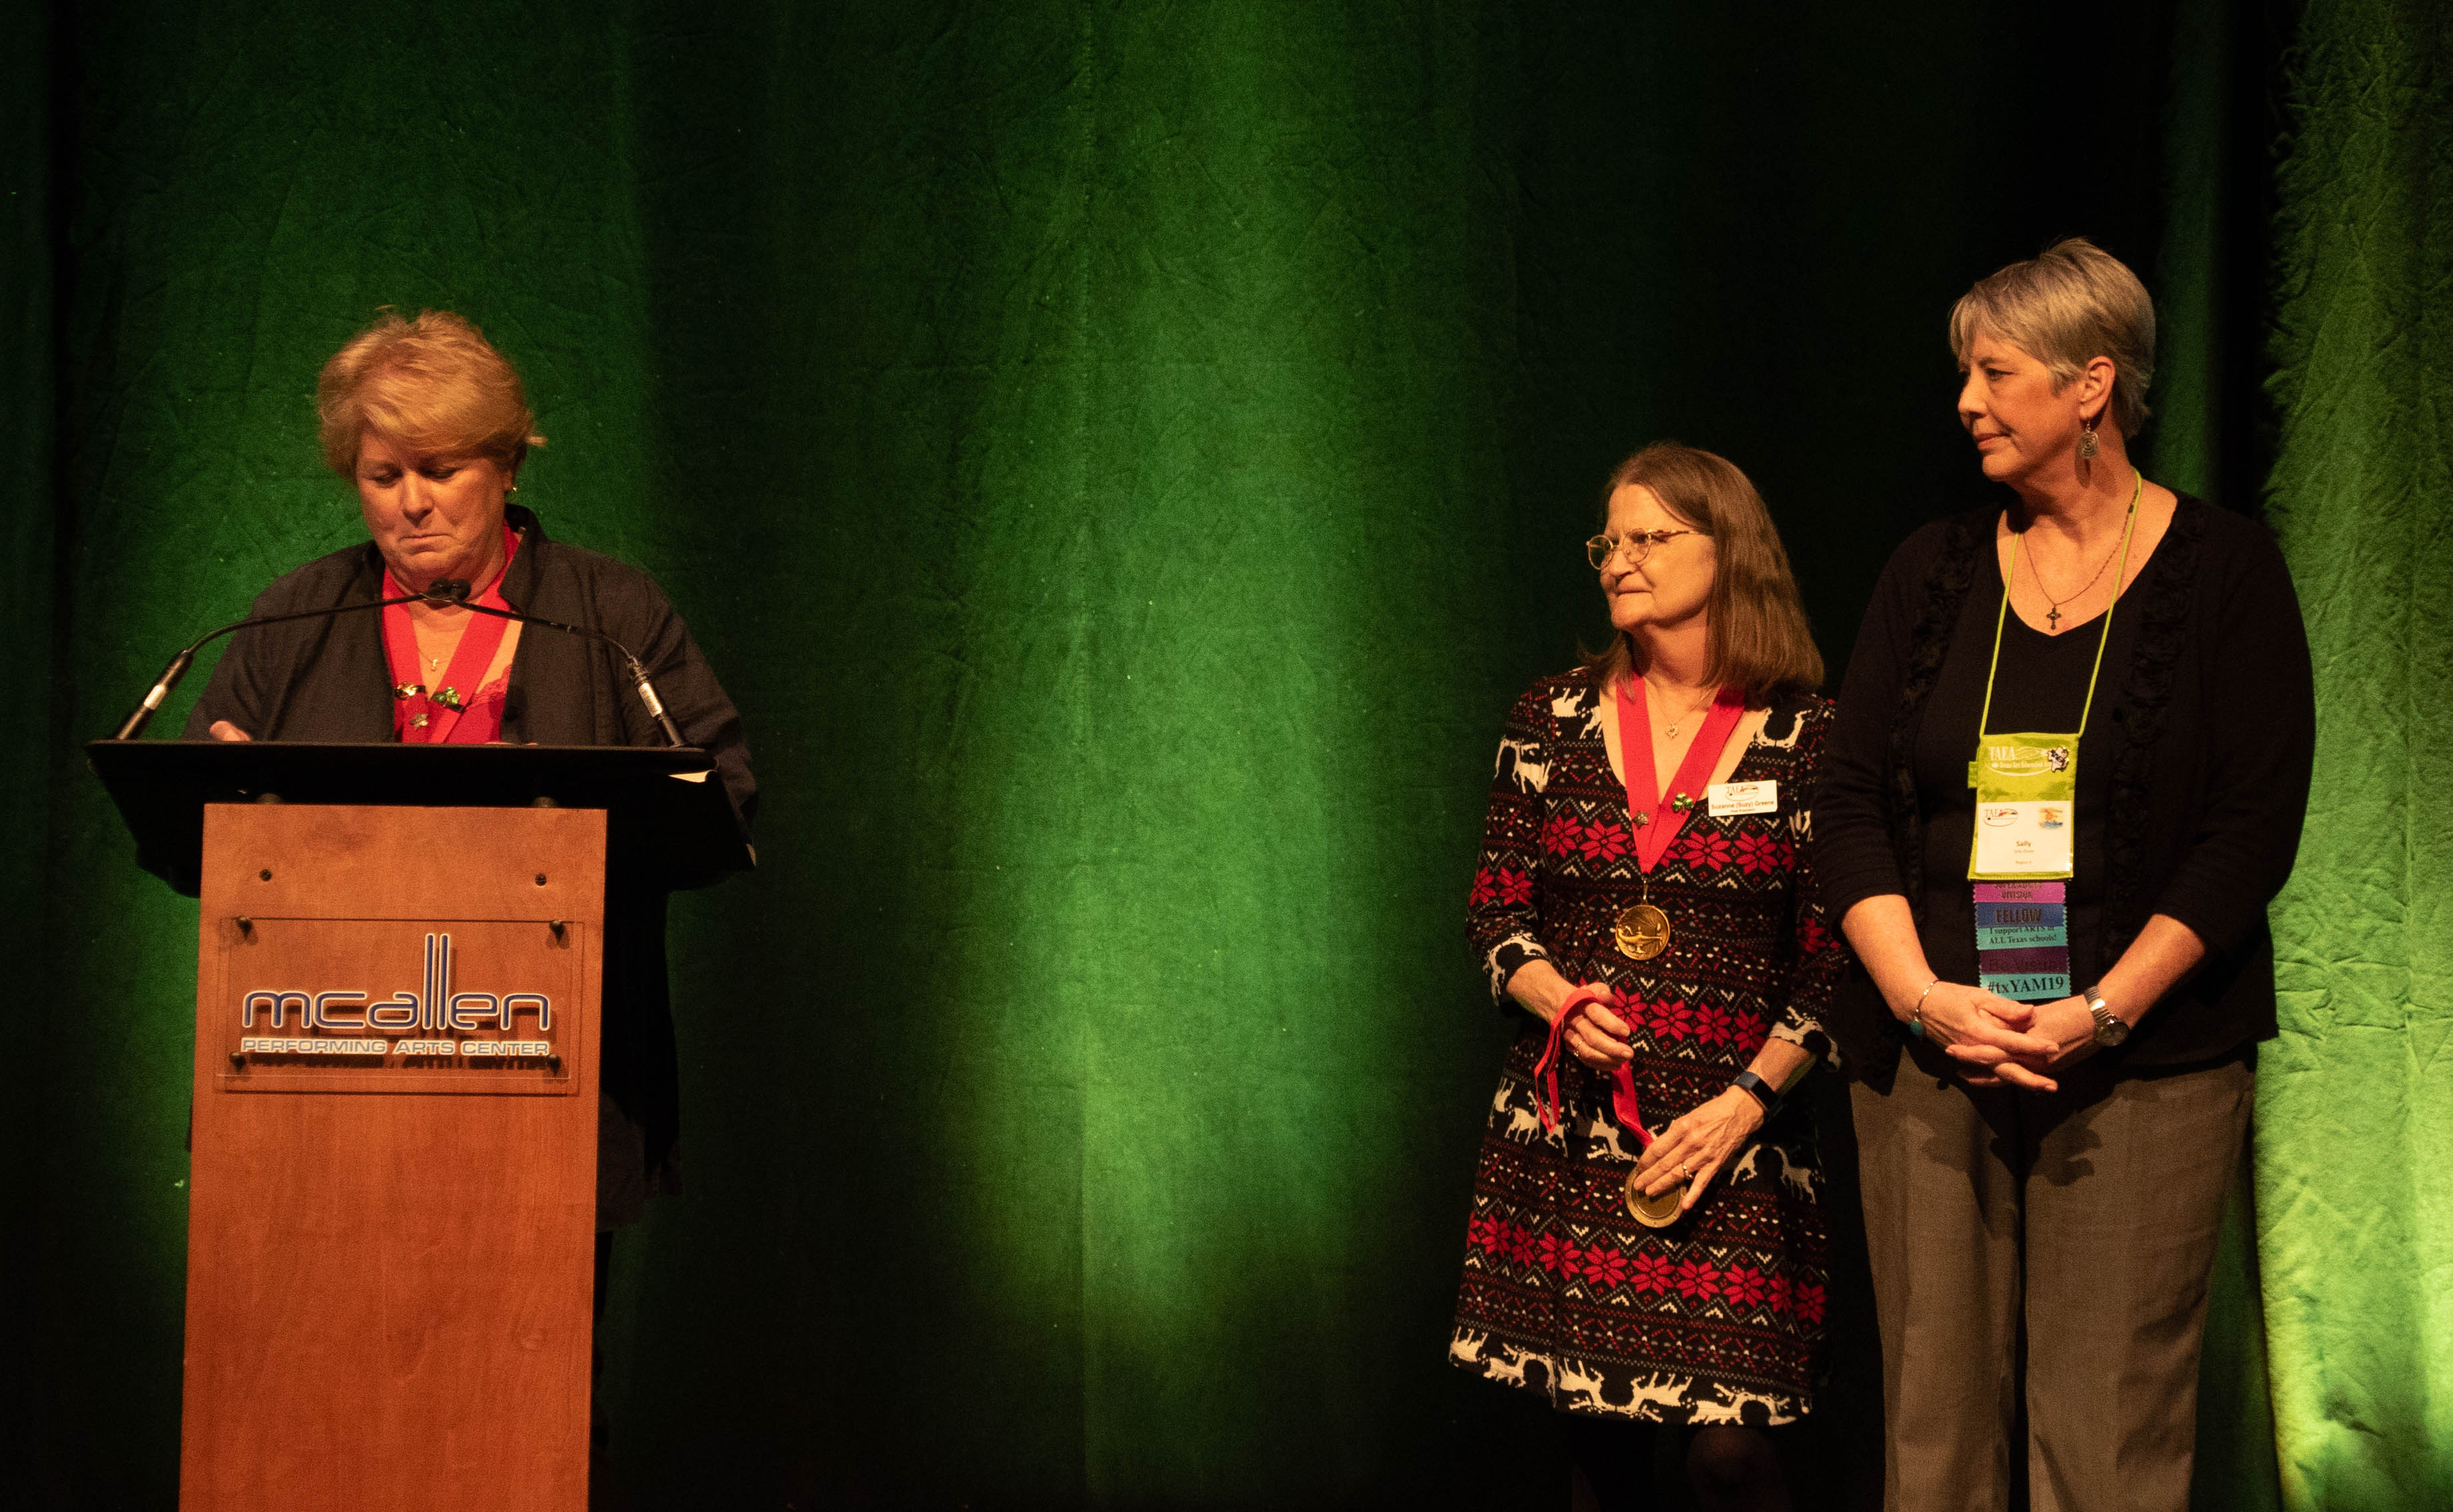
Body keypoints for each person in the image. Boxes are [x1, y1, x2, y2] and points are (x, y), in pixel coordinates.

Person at [183, 309, 754, 1483]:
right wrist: (227, 793)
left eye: (440, 470)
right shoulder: (294, 620)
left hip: (543, 1061)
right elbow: (194, 822)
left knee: (524, 1401)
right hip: (323, 1070)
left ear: (505, 463)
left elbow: (723, 797)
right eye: (382, 476)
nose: (412, 503)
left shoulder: (611, 616)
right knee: (317, 1392)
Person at [1814, 238, 2314, 1511]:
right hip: (1934, 1052)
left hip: (2144, 1061)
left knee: (2108, 1437)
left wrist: (2103, 1012)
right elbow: (1850, 803)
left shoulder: (2227, 573)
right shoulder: (1930, 571)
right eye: (1966, 375)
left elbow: (2250, 831)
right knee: (1934, 1433)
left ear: (2091, 386)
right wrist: (1924, 999)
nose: (1966, 403)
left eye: (1994, 374)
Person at [1451, 442, 1846, 1512]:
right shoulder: (1550, 718)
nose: (1618, 561)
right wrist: (1555, 999)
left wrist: (1748, 1100)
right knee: (1603, 1451)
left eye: (1649, 537)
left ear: (1729, 551)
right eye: (1608, 543)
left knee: (1730, 1457)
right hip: (1577, 1131)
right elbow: (1497, 915)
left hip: (1734, 1139)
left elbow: (1835, 955)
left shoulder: (1809, 737)